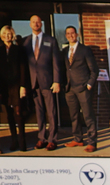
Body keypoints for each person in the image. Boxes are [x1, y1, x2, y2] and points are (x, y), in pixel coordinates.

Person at [22, 15, 62, 151]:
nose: (36, 24)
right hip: (33, 83)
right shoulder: (25, 42)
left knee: (51, 111)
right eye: (33, 22)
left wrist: (56, 81)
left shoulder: (50, 40)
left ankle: (52, 139)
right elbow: (24, 65)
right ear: (30, 24)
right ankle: (42, 138)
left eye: (38, 22)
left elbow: (56, 63)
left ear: (42, 24)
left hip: (48, 82)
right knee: (39, 112)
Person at [62, 25, 98, 152]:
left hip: (83, 87)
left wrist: (89, 84)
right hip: (69, 88)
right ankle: (77, 139)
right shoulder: (64, 51)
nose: (70, 35)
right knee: (74, 115)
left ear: (76, 34)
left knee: (88, 115)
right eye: (68, 34)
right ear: (66, 36)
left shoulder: (85, 50)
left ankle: (92, 142)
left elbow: (94, 70)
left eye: (72, 33)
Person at [0, 25, 29, 152]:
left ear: (12, 35)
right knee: (9, 115)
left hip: (17, 85)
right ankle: (14, 141)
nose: (7, 36)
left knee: (18, 113)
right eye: (5, 34)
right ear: (2, 35)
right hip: (4, 87)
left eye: (10, 34)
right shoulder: (0, 50)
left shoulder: (19, 49)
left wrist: (23, 86)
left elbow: (24, 68)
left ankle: (22, 142)